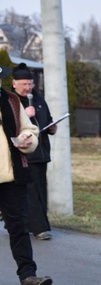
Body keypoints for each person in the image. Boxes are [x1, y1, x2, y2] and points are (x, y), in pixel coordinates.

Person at [0, 65, 52, 285]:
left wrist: (26, 139)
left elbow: (30, 129)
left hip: (13, 175)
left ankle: (28, 278)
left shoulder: (10, 100)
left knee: (19, 227)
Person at [10, 63, 56, 241]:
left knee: (40, 191)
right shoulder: (10, 101)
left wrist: (52, 128)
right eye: (24, 84)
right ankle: (40, 228)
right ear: (14, 84)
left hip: (41, 153)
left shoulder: (38, 100)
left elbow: (49, 120)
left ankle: (20, 222)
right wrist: (24, 115)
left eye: (30, 84)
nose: (28, 88)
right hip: (22, 153)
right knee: (30, 191)